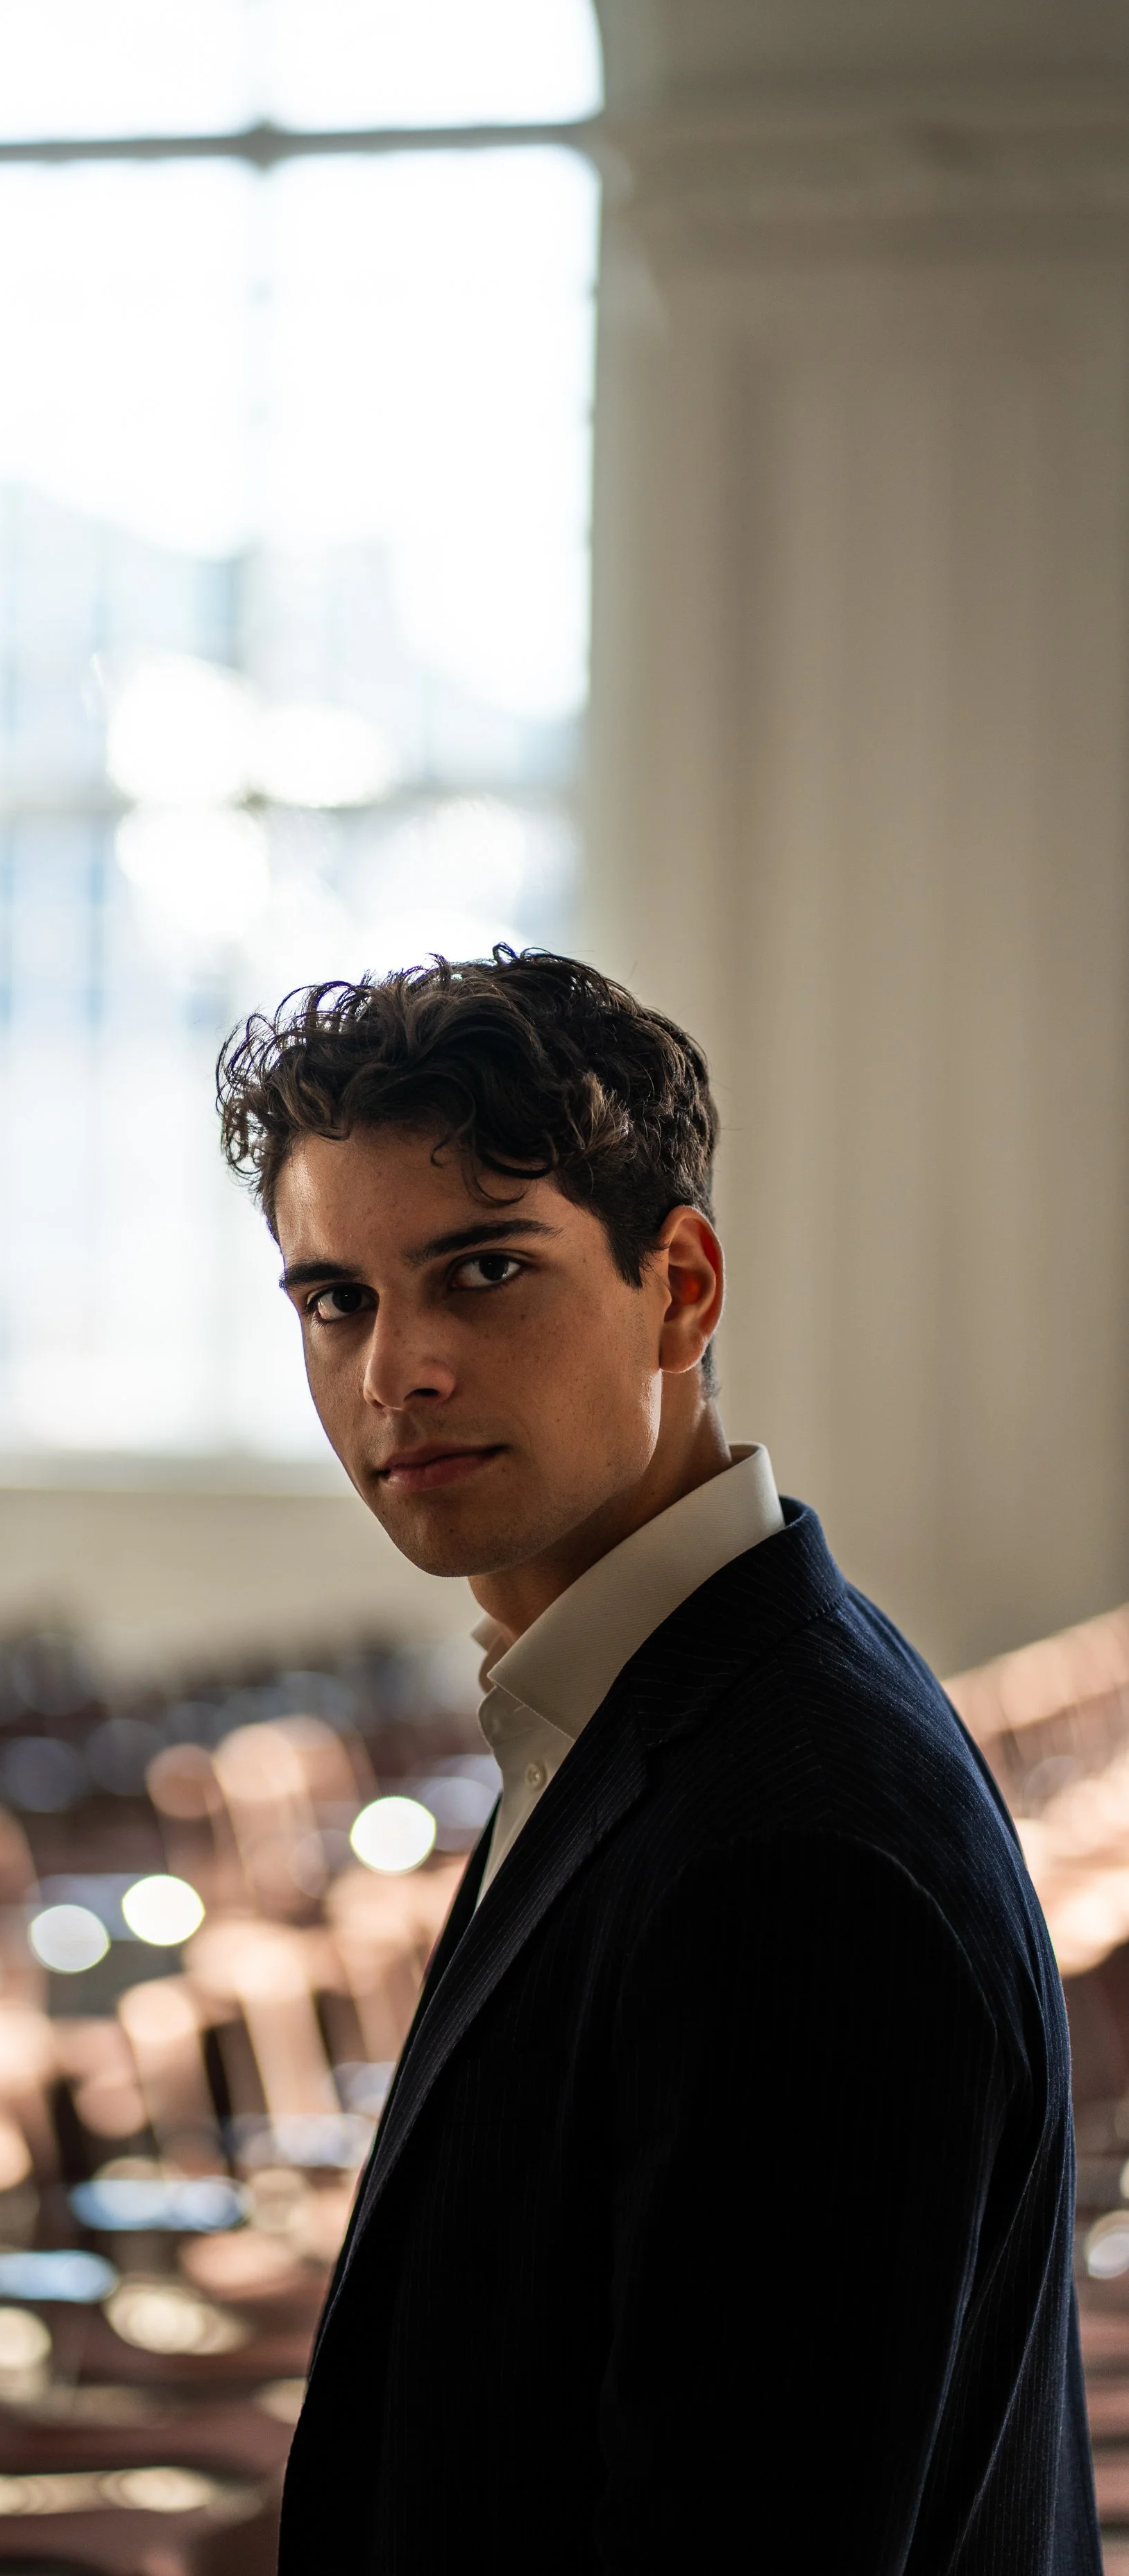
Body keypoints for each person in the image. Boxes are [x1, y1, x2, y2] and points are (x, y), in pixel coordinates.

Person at [216, 947, 1098, 2575]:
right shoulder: (678, 1698)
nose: (392, 1369)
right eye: (335, 1297)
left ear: (678, 1288)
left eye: (482, 1272)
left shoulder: (791, 1842)